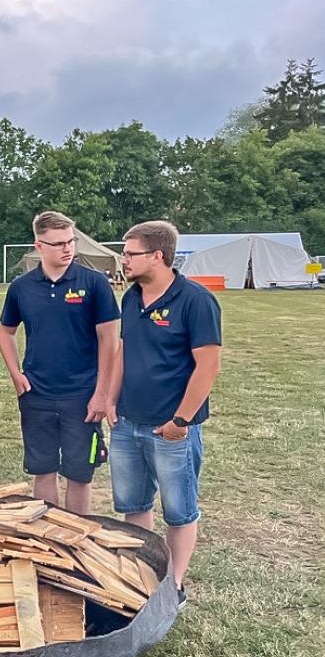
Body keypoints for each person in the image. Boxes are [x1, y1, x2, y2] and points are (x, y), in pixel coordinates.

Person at [107, 220, 221, 608]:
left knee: (179, 510)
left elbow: (208, 366)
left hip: (171, 428)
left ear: (158, 256)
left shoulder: (195, 301)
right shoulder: (130, 298)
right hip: (127, 423)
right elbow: (123, 351)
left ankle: (172, 587)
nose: (124, 260)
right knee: (133, 505)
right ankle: (142, 577)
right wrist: (110, 399)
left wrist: (181, 422)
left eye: (130, 253)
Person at [0, 211, 120, 514]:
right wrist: (16, 374)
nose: (67, 249)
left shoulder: (94, 284)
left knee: (79, 474)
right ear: (39, 246)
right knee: (43, 469)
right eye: (58, 244)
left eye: (70, 241)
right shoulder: (22, 288)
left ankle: (77, 541)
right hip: (37, 394)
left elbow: (110, 341)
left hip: (82, 395)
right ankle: (48, 538)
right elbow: (5, 331)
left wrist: (102, 393)